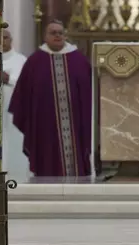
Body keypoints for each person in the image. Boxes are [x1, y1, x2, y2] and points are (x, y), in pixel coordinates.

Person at [9, 20, 92, 177]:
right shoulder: (34, 61)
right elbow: (23, 95)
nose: (57, 36)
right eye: (53, 33)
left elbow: (90, 93)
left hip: (75, 122)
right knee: (46, 158)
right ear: (44, 36)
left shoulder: (79, 60)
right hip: (44, 125)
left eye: (60, 33)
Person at [1, 29, 30, 180]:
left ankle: (17, 174)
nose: (2, 40)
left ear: (11, 40)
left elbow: (29, 84)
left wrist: (9, 79)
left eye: (5, 37)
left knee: (14, 141)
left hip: (15, 111)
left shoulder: (21, 60)